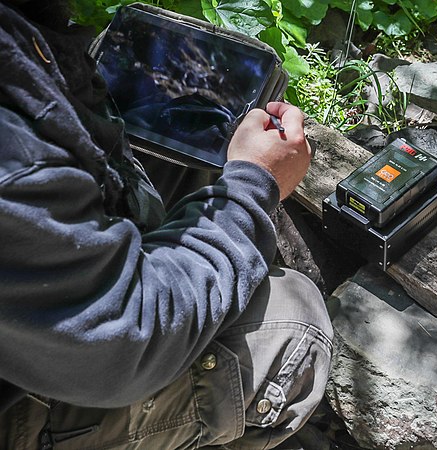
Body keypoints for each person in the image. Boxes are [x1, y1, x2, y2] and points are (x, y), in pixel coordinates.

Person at [0, 1, 333, 448]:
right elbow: (125, 340)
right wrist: (254, 184)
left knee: (187, 150)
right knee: (296, 318)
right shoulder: (13, 158)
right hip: (45, 384)